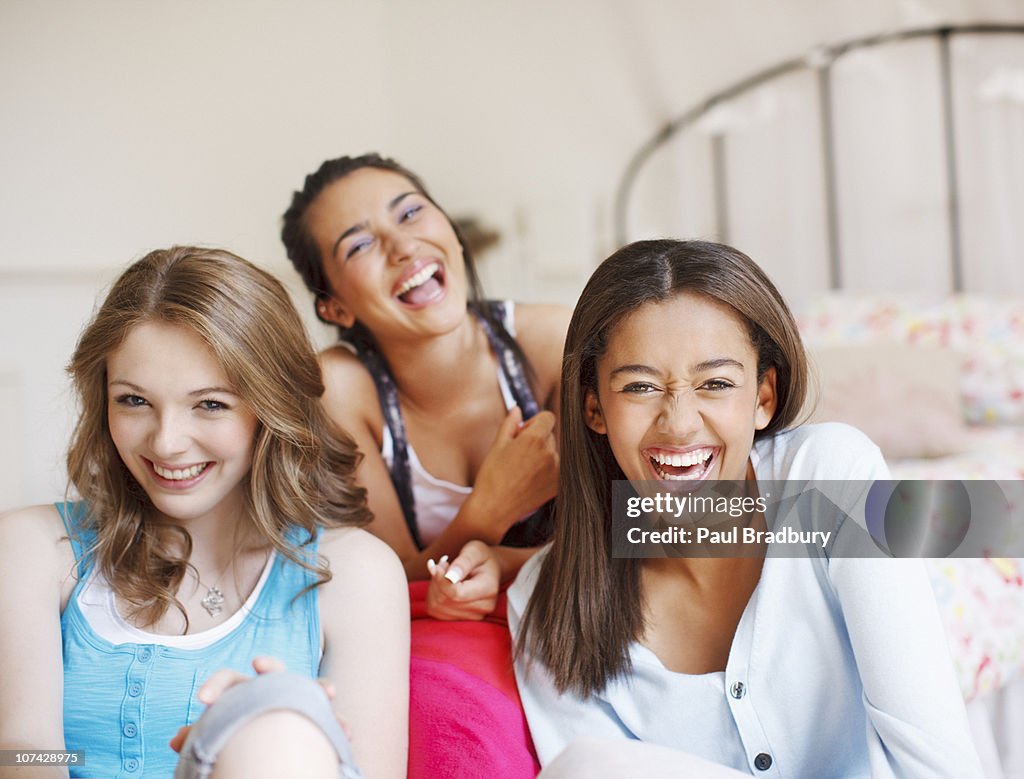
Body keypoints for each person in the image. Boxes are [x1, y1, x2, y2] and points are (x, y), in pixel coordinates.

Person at [509, 239, 984, 777]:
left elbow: (940, 764)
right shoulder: (545, 603)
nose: (680, 423)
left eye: (715, 383)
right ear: (595, 408)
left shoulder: (830, 475)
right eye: (640, 386)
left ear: (763, 398)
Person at [0, 247, 409, 779]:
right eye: (133, 401)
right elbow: (19, 751)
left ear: (271, 408)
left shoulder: (356, 574)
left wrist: (268, 736)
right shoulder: (33, 548)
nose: (167, 443)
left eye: (210, 404)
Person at [281, 153, 569, 614]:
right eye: (358, 246)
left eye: (411, 213)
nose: (403, 247)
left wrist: (504, 561)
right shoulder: (338, 390)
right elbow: (379, 581)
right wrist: (487, 511)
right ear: (334, 307)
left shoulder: (555, 344)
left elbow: (686, 527)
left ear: (451, 230)